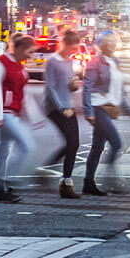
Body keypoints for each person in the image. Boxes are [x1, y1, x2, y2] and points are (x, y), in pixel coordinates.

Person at [81, 29, 130, 196]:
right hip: (98, 107)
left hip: (108, 107)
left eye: (114, 40)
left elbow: (118, 88)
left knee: (97, 147)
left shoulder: (114, 62)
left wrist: (128, 108)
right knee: (116, 143)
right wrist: (88, 111)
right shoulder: (95, 62)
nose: (112, 43)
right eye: (109, 41)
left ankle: (88, 183)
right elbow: (87, 88)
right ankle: (110, 180)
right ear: (102, 43)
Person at [0, 34, 38, 202]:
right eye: (29, 52)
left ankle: (0, 189)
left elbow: (24, 93)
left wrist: (33, 116)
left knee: (4, 151)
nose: (30, 56)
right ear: (18, 48)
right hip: (5, 114)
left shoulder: (19, 66)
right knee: (26, 146)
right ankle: (7, 178)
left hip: (12, 113)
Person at [43, 29, 86, 198]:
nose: (73, 52)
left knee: (73, 144)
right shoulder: (52, 61)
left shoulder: (70, 62)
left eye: (75, 50)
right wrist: (61, 108)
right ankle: (66, 184)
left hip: (68, 105)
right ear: (63, 44)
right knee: (72, 142)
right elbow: (51, 88)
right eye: (71, 49)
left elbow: (67, 86)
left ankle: (55, 174)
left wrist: (74, 85)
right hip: (55, 108)